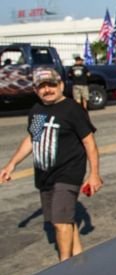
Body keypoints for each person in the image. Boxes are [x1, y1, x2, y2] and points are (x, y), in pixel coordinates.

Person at [0, 67, 103, 262]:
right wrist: (11, 164)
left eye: (52, 85)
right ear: (35, 89)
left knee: (59, 222)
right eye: (42, 86)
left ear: (61, 85)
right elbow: (32, 139)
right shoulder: (37, 111)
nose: (47, 90)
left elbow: (89, 142)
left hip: (68, 172)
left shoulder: (73, 109)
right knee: (64, 220)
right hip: (45, 174)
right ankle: (80, 259)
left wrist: (94, 174)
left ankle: (63, 267)